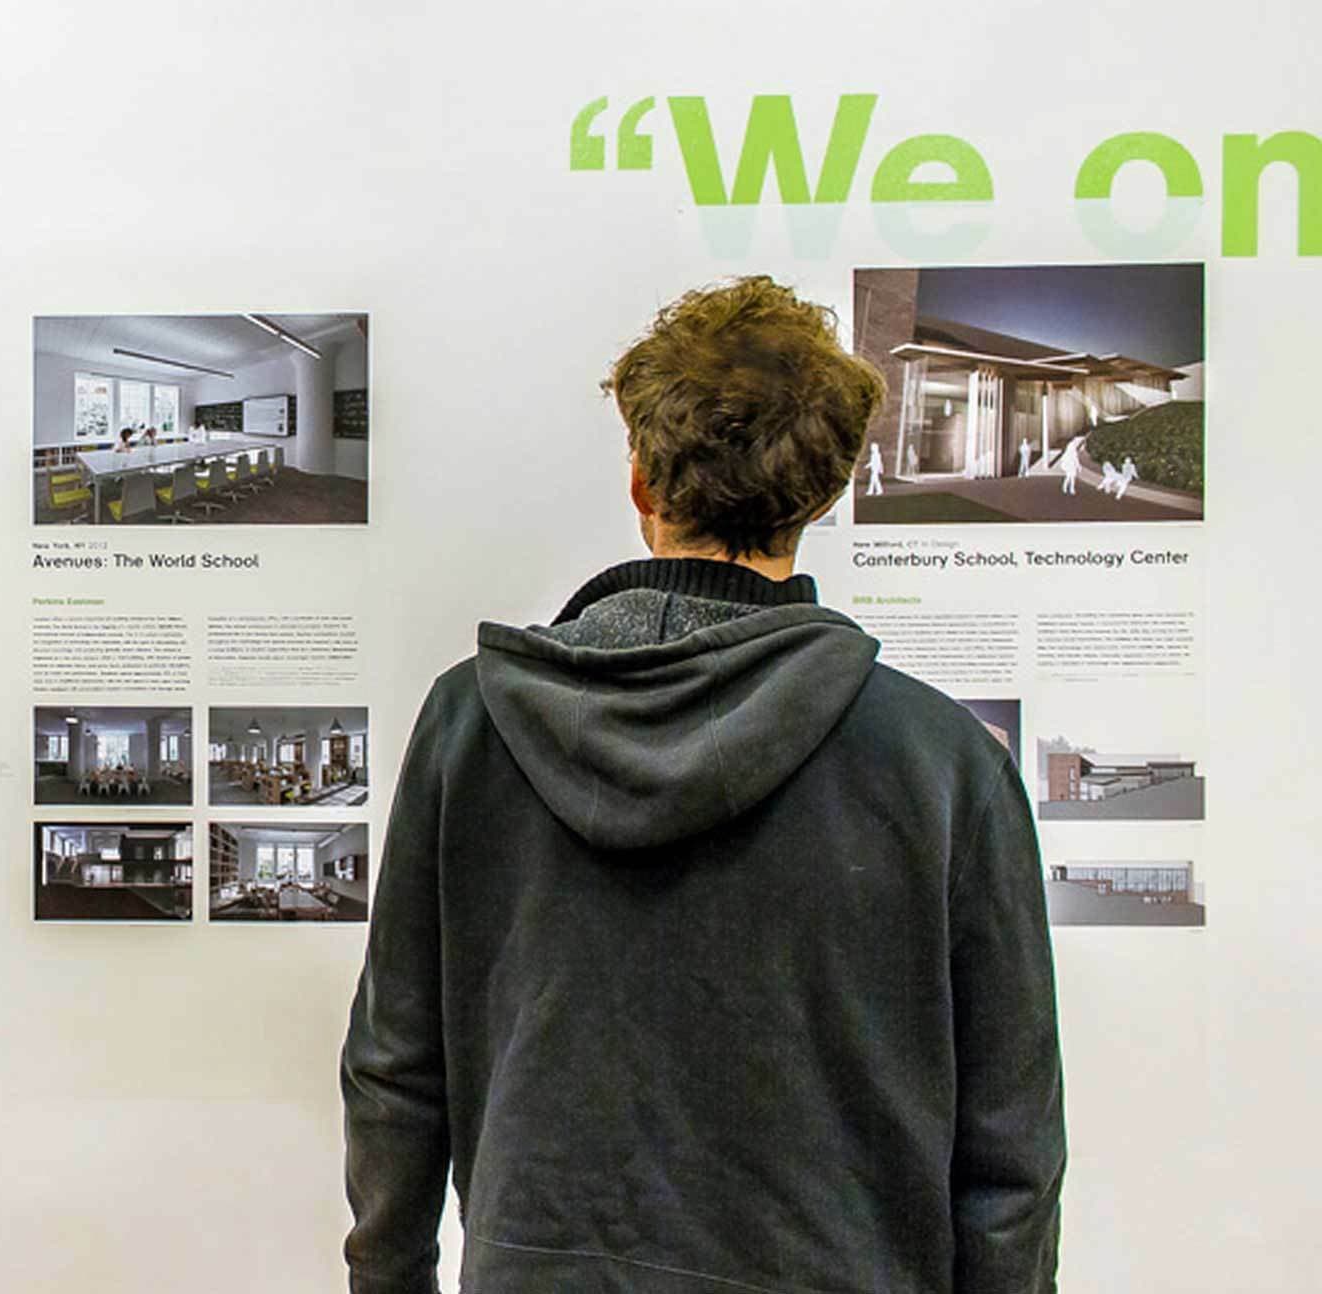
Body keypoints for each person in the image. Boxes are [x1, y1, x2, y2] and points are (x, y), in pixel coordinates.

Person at [341, 275, 1064, 1293]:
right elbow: (1010, 1151)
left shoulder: (473, 723)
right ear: (827, 492)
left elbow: (395, 1071)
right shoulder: (943, 762)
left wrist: (389, 1280)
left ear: (641, 480)